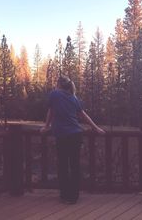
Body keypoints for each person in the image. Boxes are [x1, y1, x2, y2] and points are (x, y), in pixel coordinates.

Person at [40, 76, 105, 204]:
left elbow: (51, 111)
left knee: (63, 165)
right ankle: (73, 196)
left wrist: (46, 127)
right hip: (76, 135)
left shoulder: (54, 94)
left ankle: (65, 195)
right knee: (74, 165)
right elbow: (83, 115)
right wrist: (96, 128)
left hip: (62, 135)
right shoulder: (74, 98)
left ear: (58, 84)